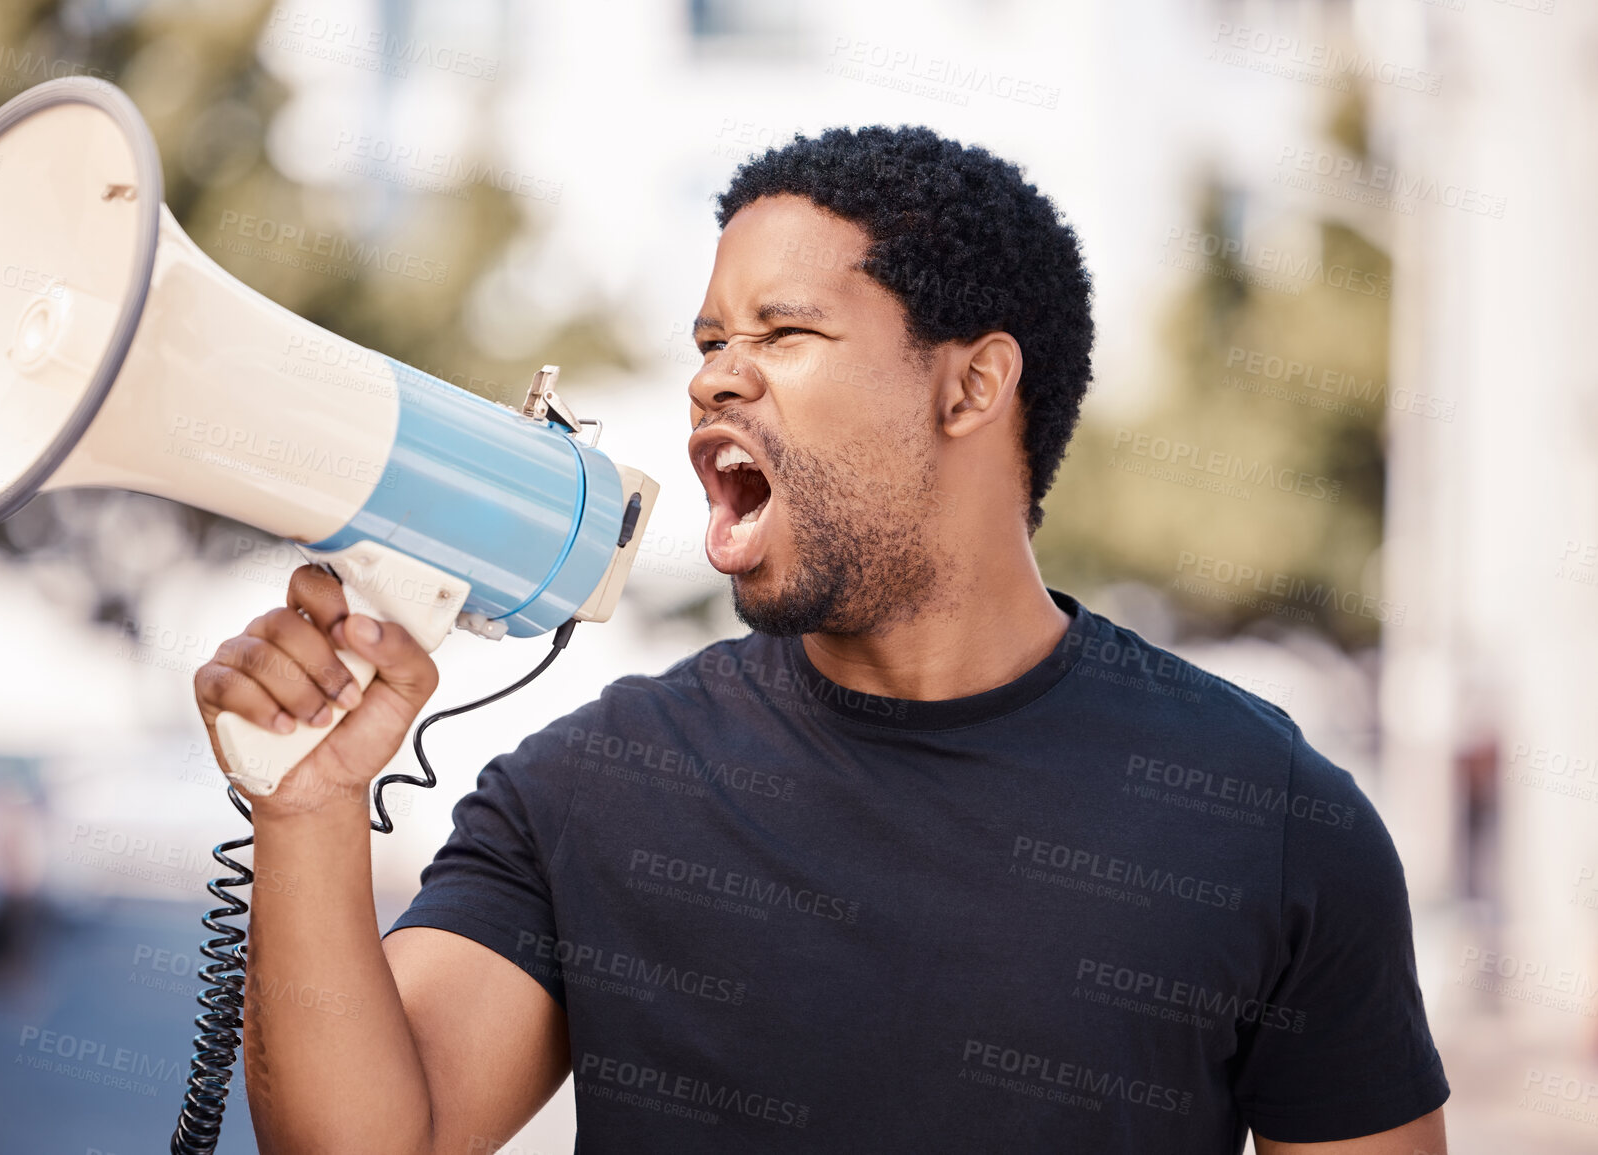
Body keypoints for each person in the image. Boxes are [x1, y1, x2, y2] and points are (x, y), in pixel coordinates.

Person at [194, 125, 1449, 1154]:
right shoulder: (593, 788)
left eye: (782, 334)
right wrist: (305, 813)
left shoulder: (1265, 812)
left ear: (971, 386)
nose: (713, 380)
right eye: (707, 345)